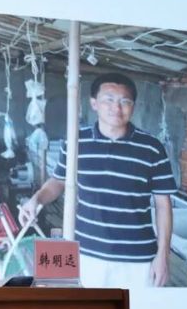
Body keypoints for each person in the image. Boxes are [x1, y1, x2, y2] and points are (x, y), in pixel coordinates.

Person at [19, 73, 175, 288]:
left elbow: (163, 205)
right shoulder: (75, 142)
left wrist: (163, 255)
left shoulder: (152, 148)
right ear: (94, 103)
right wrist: (36, 199)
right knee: (89, 308)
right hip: (86, 254)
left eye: (124, 101)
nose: (116, 108)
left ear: (133, 106)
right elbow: (58, 182)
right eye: (108, 100)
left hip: (138, 258)